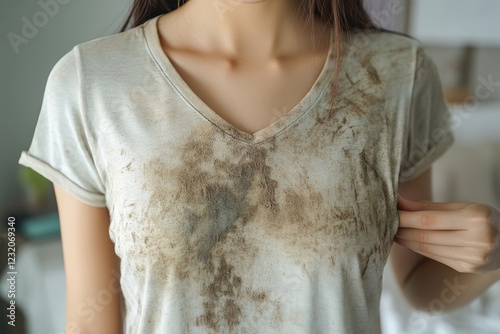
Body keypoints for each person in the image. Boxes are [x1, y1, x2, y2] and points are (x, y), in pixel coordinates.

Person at [18, 0, 500, 333]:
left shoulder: (399, 76)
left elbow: (419, 285)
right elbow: (88, 320)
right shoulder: (90, 83)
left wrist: (495, 256)